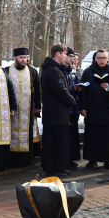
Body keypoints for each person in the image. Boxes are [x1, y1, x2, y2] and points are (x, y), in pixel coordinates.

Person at [79, 49, 109, 169]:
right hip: (92, 108)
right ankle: (92, 159)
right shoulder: (88, 72)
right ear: (95, 58)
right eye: (99, 58)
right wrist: (82, 107)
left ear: (108, 58)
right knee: (92, 136)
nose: (102, 60)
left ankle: (107, 160)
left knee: (107, 137)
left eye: (104, 58)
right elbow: (83, 90)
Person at [41, 44, 76, 176]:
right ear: (58, 54)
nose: (66, 57)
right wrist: (72, 101)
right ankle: (54, 168)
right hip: (55, 113)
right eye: (65, 54)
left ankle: (59, 166)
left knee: (59, 141)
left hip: (57, 113)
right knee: (55, 142)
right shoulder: (53, 71)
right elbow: (60, 90)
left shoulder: (55, 69)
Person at [4, 48, 41, 167]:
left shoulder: (32, 71)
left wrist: (38, 106)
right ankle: (12, 160)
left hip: (27, 109)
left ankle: (25, 160)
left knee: (26, 133)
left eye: (25, 57)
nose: (23, 60)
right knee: (12, 132)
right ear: (14, 58)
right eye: (21, 57)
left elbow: (38, 89)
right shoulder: (6, 70)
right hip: (12, 109)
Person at [65, 49, 81, 168]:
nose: (72, 59)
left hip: (74, 107)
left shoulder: (73, 70)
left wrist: (78, 88)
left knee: (73, 135)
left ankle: (71, 158)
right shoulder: (61, 70)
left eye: (74, 57)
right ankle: (66, 159)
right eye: (70, 56)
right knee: (66, 136)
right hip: (65, 108)